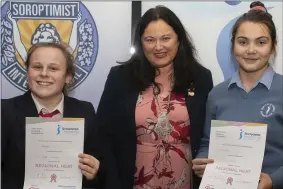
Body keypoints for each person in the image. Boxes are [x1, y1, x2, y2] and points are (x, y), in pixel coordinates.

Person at [95, 5, 213, 189]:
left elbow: (208, 135)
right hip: (133, 182)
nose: (158, 47)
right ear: (140, 43)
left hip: (184, 181)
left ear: (179, 40)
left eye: (166, 38)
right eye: (150, 40)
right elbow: (102, 135)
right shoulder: (121, 77)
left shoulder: (201, 78)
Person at [192, 1, 283, 189]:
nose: (251, 50)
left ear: (273, 46)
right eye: (243, 42)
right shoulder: (217, 94)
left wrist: (274, 180)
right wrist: (201, 162)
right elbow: (207, 142)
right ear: (233, 45)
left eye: (261, 42)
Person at [1, 42, 100, 189]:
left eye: (53, 68)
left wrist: (94, 172)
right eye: (37, 67)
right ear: (27, 71)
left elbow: (101, 169)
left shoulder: (85, 111)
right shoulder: (4, 111)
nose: (44, 73)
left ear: (68, 76)